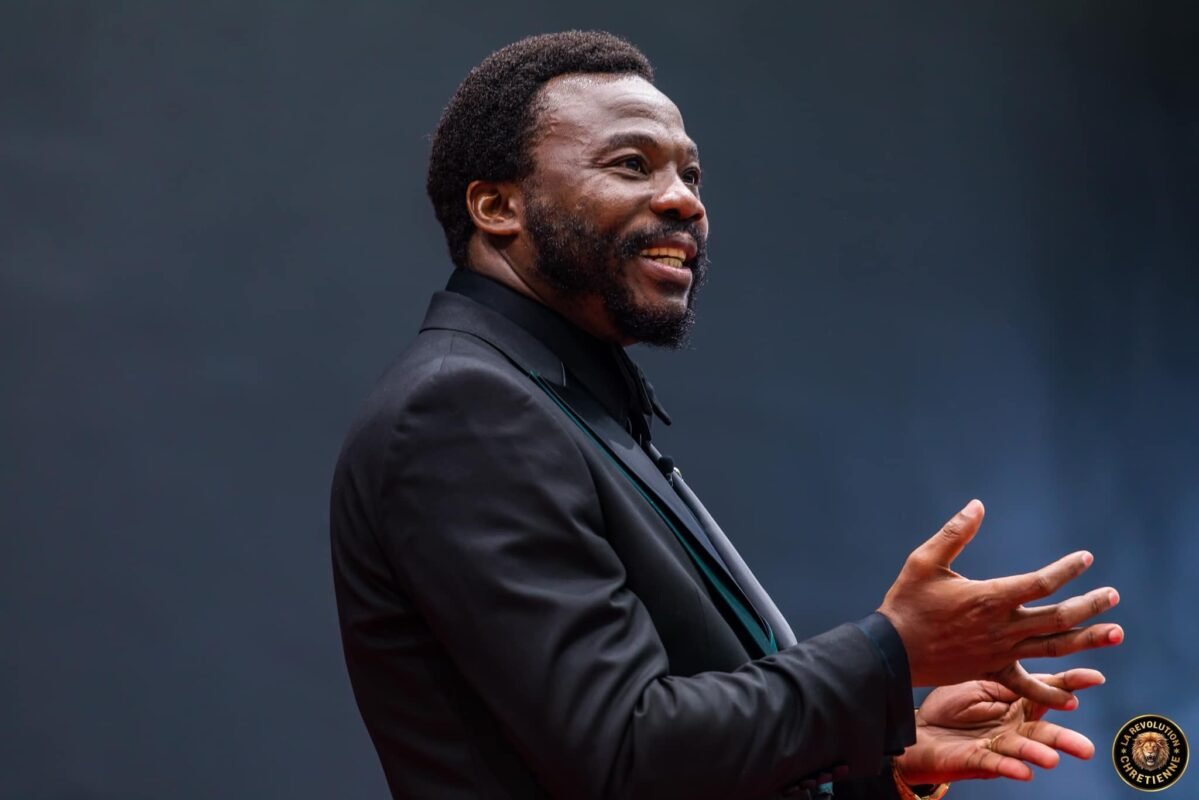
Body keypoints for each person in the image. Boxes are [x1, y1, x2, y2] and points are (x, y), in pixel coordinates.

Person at [329, 31, 1124, 800]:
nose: (683, 200)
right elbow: (624, 753)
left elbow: (667, 754)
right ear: (497, 206)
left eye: (690, 173)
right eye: (631, 164)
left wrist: (883, 760)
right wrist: (889, 654)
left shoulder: (567, 400)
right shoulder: (462, 409)